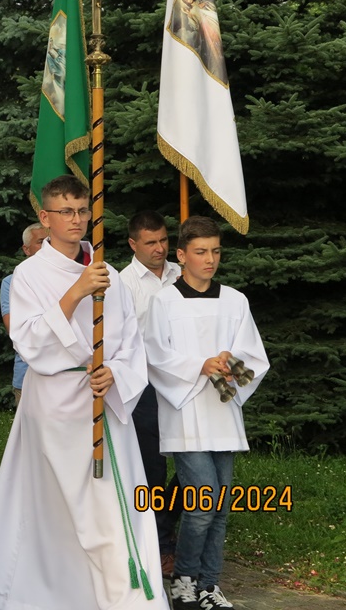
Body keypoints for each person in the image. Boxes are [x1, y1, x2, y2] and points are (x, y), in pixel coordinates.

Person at [0, 175, 167, 610]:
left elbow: (131, 341)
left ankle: (123, 596)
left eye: (82, 211)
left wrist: (115, 372)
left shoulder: (109, 273)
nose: (76, 219)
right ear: (45, 217)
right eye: (66, 211)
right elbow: (27, 339)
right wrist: (76, 292)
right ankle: (50, 595)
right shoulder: (28, 275)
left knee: (109, 509)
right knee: (57, 509)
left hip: (102, 401)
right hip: (53, 405)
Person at [146, 216, 269, 610]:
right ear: (182, 255)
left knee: (219, 508)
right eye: (201, 252)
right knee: (202, 505)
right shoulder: (164, 301)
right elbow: (154, 356)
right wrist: (200, 365)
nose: (210, 259)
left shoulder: (235, 300)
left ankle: (209, 586)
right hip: (185, 414)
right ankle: (184, 582)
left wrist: (230, 363)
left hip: (223, 411)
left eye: (215, 251)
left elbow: (253, 356)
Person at [120, 210, 184, 577]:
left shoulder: (181, 273)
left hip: (185, 380)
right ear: (133, 244)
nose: (159, 248)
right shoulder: (124, 284)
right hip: (144, 386)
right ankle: (160, 545)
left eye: (163, 240)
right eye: (150, 243)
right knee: (153, 469)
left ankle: (167, 522)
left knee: (193, 458)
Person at [0, 222, 49, 406]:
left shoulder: (68, 277)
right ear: (26, 249)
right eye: (41, 242)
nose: (47, 246)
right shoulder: (11, 282)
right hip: (27, 374)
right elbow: (14, 328)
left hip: (65, 376)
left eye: (50, 241)